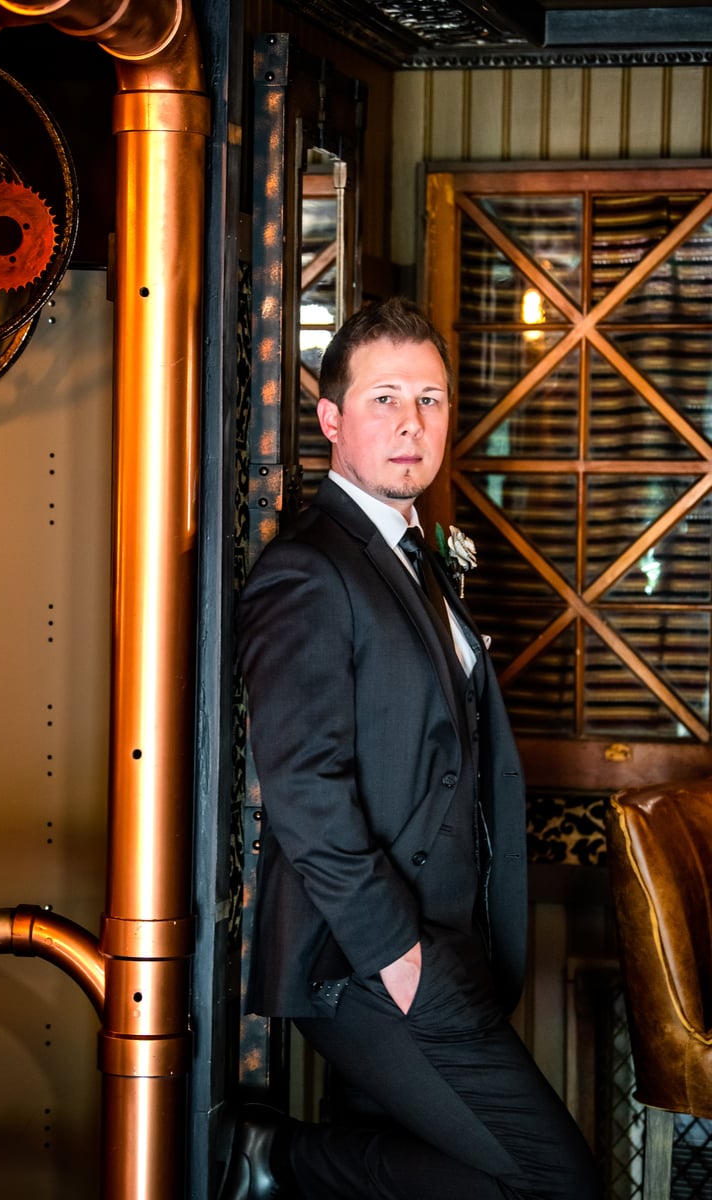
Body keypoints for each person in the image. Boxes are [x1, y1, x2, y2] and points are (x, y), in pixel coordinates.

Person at [221, 298, 601, 1200]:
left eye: (429, 400)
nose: (411, 424)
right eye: (384, 398)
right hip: (371, 958)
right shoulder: (308, 569)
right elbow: (306, 787)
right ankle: (276, 1160)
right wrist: (399, 956)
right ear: (330, 420)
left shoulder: (412, 554)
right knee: (557, 1182)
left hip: (444, 944)